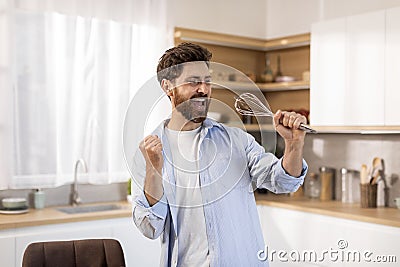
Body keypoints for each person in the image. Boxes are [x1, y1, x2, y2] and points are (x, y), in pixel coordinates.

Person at [131, 42, 308, 267]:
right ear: (168, 86)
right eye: (193, 81)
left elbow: (284, 182)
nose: (203, 89)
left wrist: (293, 145)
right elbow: (150, 227)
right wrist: (153, 170)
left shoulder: (236, 140)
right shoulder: (148, 154)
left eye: (207, 81)